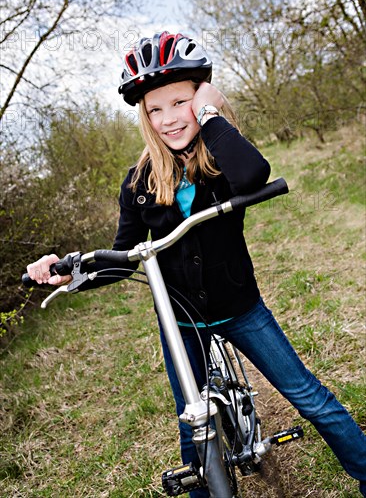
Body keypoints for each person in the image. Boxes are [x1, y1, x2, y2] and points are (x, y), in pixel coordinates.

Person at [27, 32, 366, 497]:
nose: (168, 119)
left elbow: (254, 175)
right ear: (144, 118)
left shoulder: (223, 157)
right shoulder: (139, 182)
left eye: (179, 102)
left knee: (311, 400)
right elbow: (123, 257)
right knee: (194, 425)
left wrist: (210, 110)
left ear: (200, 98)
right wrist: (70, 270)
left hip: (241, 307)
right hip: (182, 318)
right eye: (155, 110)